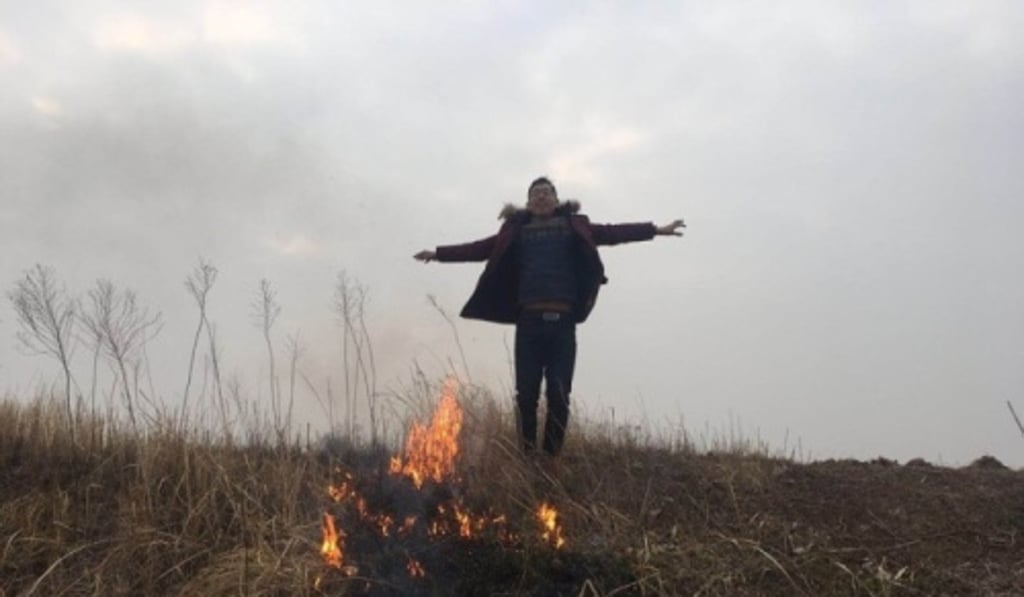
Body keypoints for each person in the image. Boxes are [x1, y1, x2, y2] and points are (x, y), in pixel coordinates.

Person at [414, 176, 684, 456]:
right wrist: (437, 254)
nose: (541, 197)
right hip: (529, 323)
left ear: (556, 200)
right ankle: (528, 457)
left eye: (546, 192)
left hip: (563, 323)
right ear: (528, 203)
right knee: (526, 395)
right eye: (535, 194)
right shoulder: (515, 232)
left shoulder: (575, 226)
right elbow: (478, 248)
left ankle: (550, 459)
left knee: (558, 394)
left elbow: (615, 233)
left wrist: (657, 230)